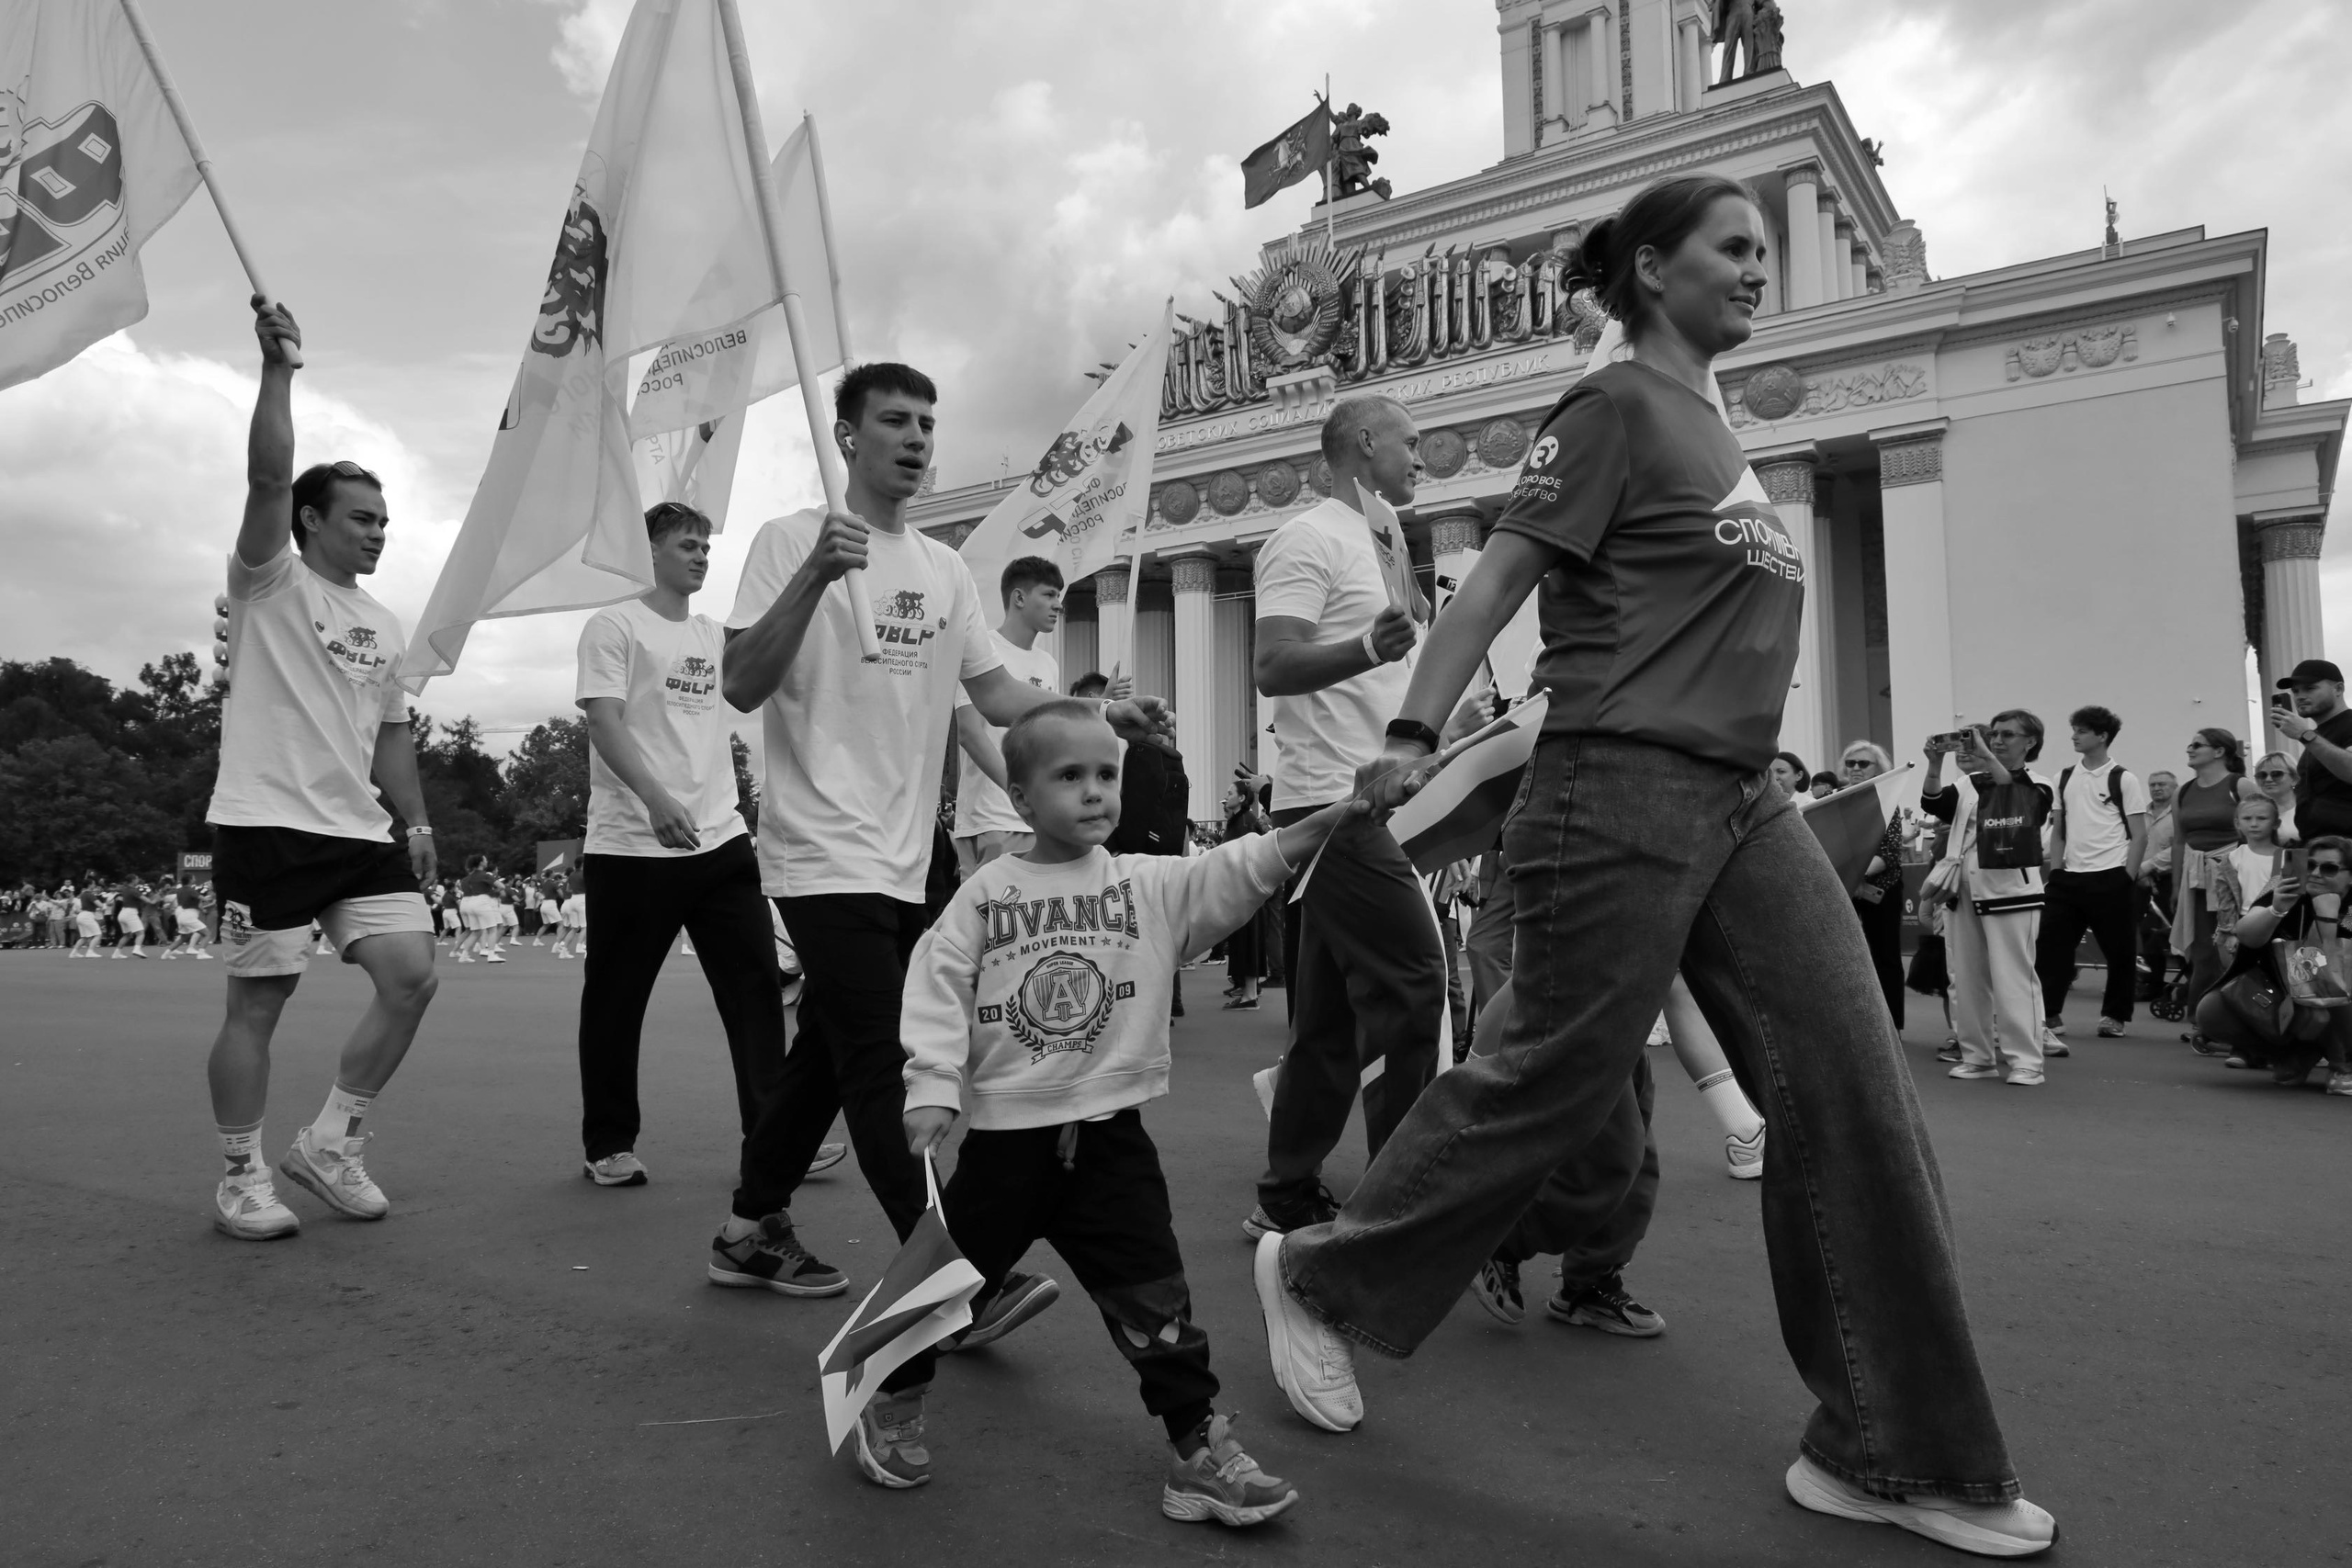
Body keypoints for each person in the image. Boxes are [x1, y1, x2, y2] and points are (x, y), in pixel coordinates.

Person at [1250, 175, 2052, 1556]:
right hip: (1612, 777)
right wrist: (1410, 730)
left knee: (1857, 1091)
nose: (1759, 268)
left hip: (1746, 797)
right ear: (1650, 267)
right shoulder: (1612, 408)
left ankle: (1890, 1444)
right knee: (1552, 1073)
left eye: (1763, 248)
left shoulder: (1721, 424)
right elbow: (1498, 582)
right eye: (1731, 249)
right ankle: (1319, 1278)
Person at [720, 360, 1174, 1313]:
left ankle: (749, 1225)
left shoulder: (941, 568)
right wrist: (814, 575)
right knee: (886, 1057)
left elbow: (999, 695)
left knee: (826, 1058)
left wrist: (1093, 714)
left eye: (928, 421)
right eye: (895, 420)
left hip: (906, 852)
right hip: (818, 849)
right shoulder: (789, 541)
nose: (918, 438)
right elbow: (743, 681)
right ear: (848, 436)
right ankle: (951, 1276)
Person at [890, 701, 1356, 1515]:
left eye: (1108, 774)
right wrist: (932, 1085)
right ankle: (889, 1399)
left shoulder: (1144, 881)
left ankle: (1198, 1449)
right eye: (1070, 776)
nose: (1097, 791)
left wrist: (1339, 817)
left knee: (1157, 1301)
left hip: (1112, 1144)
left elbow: (1244, 865)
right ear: (1021, 798)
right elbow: (936, 985)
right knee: (943, 1286)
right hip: (1007, 1148)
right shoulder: (986, 893)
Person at [203, 299, 440, 1242]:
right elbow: (265, 474)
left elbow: (390, 735)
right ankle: (240, 1176)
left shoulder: (383, 623)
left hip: (357, 830)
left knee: (412, 975)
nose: (378, 532)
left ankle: (330, 1143)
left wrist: (416, 824)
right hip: (268, 821)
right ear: (309, 520)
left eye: (385, 519)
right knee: (260, 1001)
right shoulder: (267, 580)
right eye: (360, 517)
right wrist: (278, 372)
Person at [571, 500, 810, 1260]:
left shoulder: (715, 638)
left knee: (754, 993)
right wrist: (655, 800)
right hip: (632, 844)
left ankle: (770, 1139)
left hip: (720, 840)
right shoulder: (614, 626)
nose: (701, 555)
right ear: (648, 550)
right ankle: (610, 1141)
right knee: (617, 997)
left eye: (707, 544)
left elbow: (756, 694)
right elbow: (605, 722)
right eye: (686, 543)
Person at [1245, 392, 1448, 1242]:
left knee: (1329, 1017)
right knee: (1416, 982)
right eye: (1410, 442)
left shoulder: (1385, 541)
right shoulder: (1307, 537)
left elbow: (1387, 682)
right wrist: (1369, 646)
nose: (1421, 458)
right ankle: (1396, 1200)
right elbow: (1272, 663)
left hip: (1377, 800)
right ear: (1364, 443)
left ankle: (1286, 1193)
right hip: (1335, 804)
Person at [1923, 715, 2056, 1086]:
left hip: (2011, 893)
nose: (1997, 740)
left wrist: (1985, 756)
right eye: (1993, 734)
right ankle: (1977, 1056)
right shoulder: (1968, 783)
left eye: (2007, 735)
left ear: (2030, 743)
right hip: (1963, 892)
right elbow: (1933, 801)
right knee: (1965, 979)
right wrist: (1934, 764)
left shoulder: (2038, 782)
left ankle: (2026, 1060)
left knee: (2014, 977)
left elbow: (2016, 797)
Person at [2192, 834, 2352, 1095]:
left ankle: (2343, 1065)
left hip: (2339, 995)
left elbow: (2332, 964)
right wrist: (2277, 910)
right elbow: (2246, 934)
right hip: (2282, 990)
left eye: (2330, 868)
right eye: (2310, 864)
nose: (2315, 873)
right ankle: (2291, 1056)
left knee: (2331, 986)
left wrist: (2327, 912)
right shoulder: (2283, 884)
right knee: (2211, 1012)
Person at [2034, 705, 2149, 1043]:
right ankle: (2049, 1014)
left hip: (2112, 876)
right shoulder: (2063, 777)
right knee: (2052, 948)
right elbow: (2057, 830)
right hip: (2067, 879)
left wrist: (2126, 876)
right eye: (2075, 730)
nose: (2074, 736)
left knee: (2120, 951)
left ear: (2102, 736)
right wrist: (2056, 870)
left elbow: (2140, 834)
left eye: (2082, 731)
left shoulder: (2123, 778)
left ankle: (2115, 1016)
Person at [950, 557, 1064, 874]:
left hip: (1039, 820)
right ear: (1019, 597)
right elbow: (970, 734)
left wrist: (1100, 709)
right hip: (993, 819)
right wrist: (1018, 793)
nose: (1058, 605)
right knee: (991, 921)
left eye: (1059, 596)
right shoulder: (983, 649)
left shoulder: (1048, 664)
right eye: (1049, 594)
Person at [2170, 728, 2259, 1045]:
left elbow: (2260, 826)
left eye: (2197, 745)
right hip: (2196, 877)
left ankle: (2239, 1018)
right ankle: (2200, 1020)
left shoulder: (2240, 785)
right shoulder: (2183, 791)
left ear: (2220, 751)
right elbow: (2180, 840)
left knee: (2233, 946)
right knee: (2203, 950)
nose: (2189, 749)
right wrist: (2176, 884)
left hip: (2233, 874)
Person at [1839, 741, 1907, 1029]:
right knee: (1847, 959)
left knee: (1885, 957)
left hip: (1882, 889)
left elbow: (1890, 853)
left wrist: (1854, 876)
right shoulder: (1837, 800)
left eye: (1863, 763)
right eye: (1851, 763)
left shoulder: (1887, 799)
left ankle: (1892, 1027)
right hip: (1843, 889)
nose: (1855, 768)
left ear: (1879, 768)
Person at [2275, 659, 2352, 840]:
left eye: (2310, 688)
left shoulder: (2348, 724)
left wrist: (2304, 734)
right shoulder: (2317, 735)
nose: (2300, 696)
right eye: (2295, 691)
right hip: (2318, 845)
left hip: (2345, 847)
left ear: (2338, 689)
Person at [1218, 773, 1275, 1010]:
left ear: (1242, 798)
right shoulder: (1240, 821)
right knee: (1243, 942)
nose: (1226, 797)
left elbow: (1243, 858)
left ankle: (1250, 994)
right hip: (1242, 892)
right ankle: (1248, 990)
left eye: (1230, 793)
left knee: (1249, 941)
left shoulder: (1245, 823)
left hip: (1247, 892)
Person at [2138, 769, 2179, 1000]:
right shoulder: (2142, 814)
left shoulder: (2180, 815)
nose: (2156, 788)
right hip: (2141, 881)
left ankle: (2191, 982)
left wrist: (2150, 866)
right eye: (2152, 784)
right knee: (2142, 933)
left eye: (2162, 784)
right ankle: (2151, 983)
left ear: (2175, 787)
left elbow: (2180, 848)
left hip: (2169, 881)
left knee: (2169, 934)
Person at [2251, 752, 2301, 844]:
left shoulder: (2308, 809)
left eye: (2276, 774)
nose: (2268, 779)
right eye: (2262, 775)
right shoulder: (2255, 810)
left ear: (2294, 779)